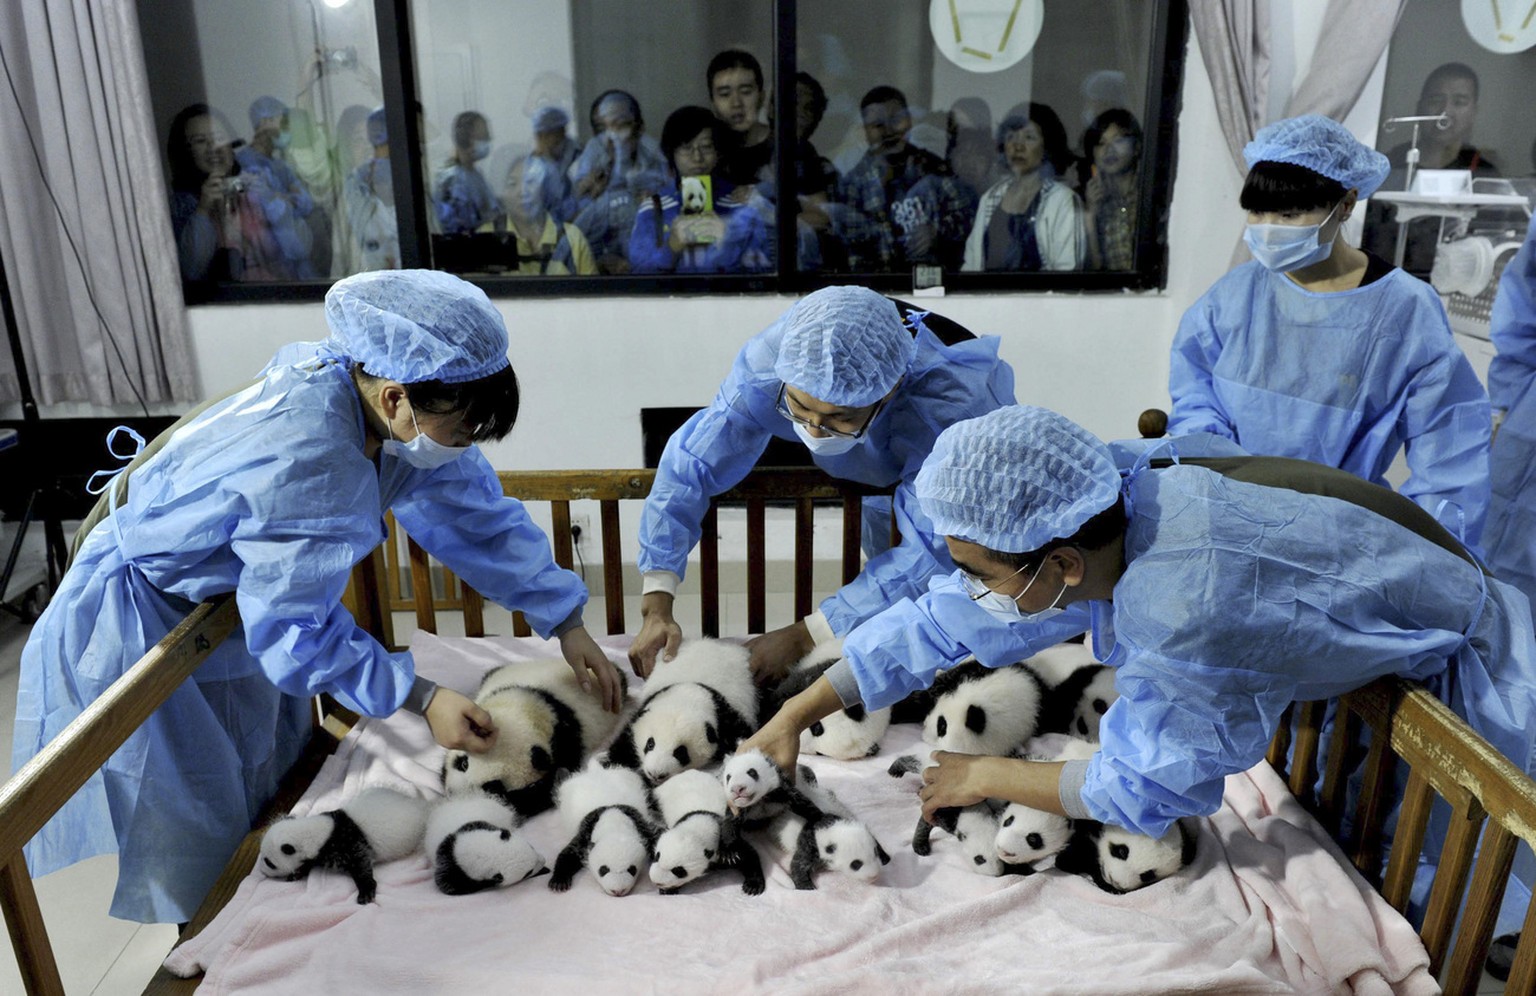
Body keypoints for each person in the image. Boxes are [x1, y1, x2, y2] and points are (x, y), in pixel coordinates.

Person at [742, 403, 1536, 937]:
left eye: (982, 571)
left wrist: (982, 773)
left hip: (1472, 665)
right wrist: (794, 713)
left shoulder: (1186, 604)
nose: (973, 589)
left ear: (1059, 565)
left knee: (1480, 899)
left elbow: (1146, 785)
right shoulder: (1111, 495)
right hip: (1373, 604)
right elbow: (941, 618)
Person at [10, 270, 624, 924]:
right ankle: (210, 950)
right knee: (195, 815)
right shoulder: (309, 455)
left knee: (269, 778)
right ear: (395, 401)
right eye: (461, 430)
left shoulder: (378, 391)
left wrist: (568, 621)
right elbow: (297, 631)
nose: (464, 449)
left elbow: (479, 517)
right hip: (146, 613)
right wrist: (421, 697)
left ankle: (253, 903)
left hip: (235, 605)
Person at [628, 285, 1016, 680]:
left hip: (951, 486)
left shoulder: (953, 405)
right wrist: (657, 601)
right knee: (885, 584)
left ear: (891, 391)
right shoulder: (772, 364)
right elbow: (690, 466)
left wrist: (805, 636)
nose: (813, 431)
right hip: (878, 470)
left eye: (840, 417)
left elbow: (933, 550)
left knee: (948, 605)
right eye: (798, 407)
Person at [1168, 114, 1492, 550]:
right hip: (1233, 517)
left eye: (1289, 213)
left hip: (1343, 532)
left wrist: (1431, 550)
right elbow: (1196, 392)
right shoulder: (1236, 294)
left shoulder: (1404, 311)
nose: (1268, 227)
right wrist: (1224, 476)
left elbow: (1449, 452)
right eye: (1258, 211)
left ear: (1346, 203)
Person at [1364, 63, 1501, 278]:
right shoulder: (1390, 165)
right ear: (1420, 107)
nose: (1445, 113)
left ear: (1474, 111)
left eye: (1459, 102)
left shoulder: (1483, 174)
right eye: (1436, 100)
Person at [829, 86, 975, 273]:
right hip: (878, 289)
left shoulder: (934, 168)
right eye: (878, 125)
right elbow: (850, 252)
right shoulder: (852, 185)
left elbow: (969, 219)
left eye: (896, 119)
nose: (889, 131)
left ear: (909, 121)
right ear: (866, 132)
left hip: (935, 289)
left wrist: (937, 231)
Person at [627, 106, 772, 275]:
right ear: (671, 153)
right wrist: (671, 248)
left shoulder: (740, 202)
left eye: (706, 147)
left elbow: (763, 275)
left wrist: (728, 241)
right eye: (686, 148)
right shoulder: (654, 208)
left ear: (718, 152)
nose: (697, 158)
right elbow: (638, 276)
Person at [166, 104, 290, 285]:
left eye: (219, 138)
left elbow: (296, 251)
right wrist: (204, 208)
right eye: (200, 141)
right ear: (186, 152)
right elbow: (192, 270)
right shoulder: (182, 205)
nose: (213, 148)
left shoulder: (256, 184)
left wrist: (272, 201)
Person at [962, 104, 1085, 272]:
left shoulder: (1062, 200)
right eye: (1011, 137)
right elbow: (972, 265)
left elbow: (1068, 271)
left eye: (1029, 137)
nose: (1017, 146)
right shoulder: (990, 197)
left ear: (1046, 147)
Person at [568, 90, 669, 274]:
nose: (611, 136)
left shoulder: (658, 162)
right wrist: (590, 196)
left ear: (639, 128)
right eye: (602, 129)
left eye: (620, 125)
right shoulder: (587, 161)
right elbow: (569, 232)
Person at [236, 95, 321, 279]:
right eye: (283, 123)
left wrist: (280, 198)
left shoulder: (281, 166)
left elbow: (306, 203)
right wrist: (285, 199)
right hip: (273, 268)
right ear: (266, 122)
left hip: (300, 268)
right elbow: (271, 213)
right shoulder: (246, 163)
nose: (287, 130)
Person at [504, 154, 598, 275]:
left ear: (545, 190)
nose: (522, 192)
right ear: (503, 194)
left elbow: (590, 291)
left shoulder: (572, 239)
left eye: (531, 182)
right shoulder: (486, 236)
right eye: (512, 184)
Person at [791, 71, 843, 272]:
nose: (801, 114)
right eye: (794, 104)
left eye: (809, 108)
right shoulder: (743, 153)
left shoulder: (812, 160)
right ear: (771, 107)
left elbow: (822, 219)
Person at [1081, 109, 1142, 271]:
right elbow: (1095, 272)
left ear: (1136, 148)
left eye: (1118, 140)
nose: (1109, 150)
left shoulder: (1149, 192)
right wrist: (1090, 214)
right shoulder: (1095, 198)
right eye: (1101, 143)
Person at [343, 106, 399, 271]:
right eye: (359, 140)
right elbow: (343, 264)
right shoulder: (351, 195)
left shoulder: (410, 185)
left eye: (379, 140)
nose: (370, 148)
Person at [433, 110, 505, 235]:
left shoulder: (475, 174)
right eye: (483, 137)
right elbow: (456, 229)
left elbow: (493, 209)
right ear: (465, 140)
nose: (489, 139)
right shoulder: (450, 181)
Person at [708, 49, 773, 187]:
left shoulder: (787, 147)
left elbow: (816, 206)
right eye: (725, 94)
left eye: (745, 92)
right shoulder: (705, 151)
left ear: (762, 97)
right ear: (713, 103)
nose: (736, 103)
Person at [527, 104, 578, 224]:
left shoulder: (557, 164)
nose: (565, 139)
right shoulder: (537, 172)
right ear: (543, 136)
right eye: (559, 135)